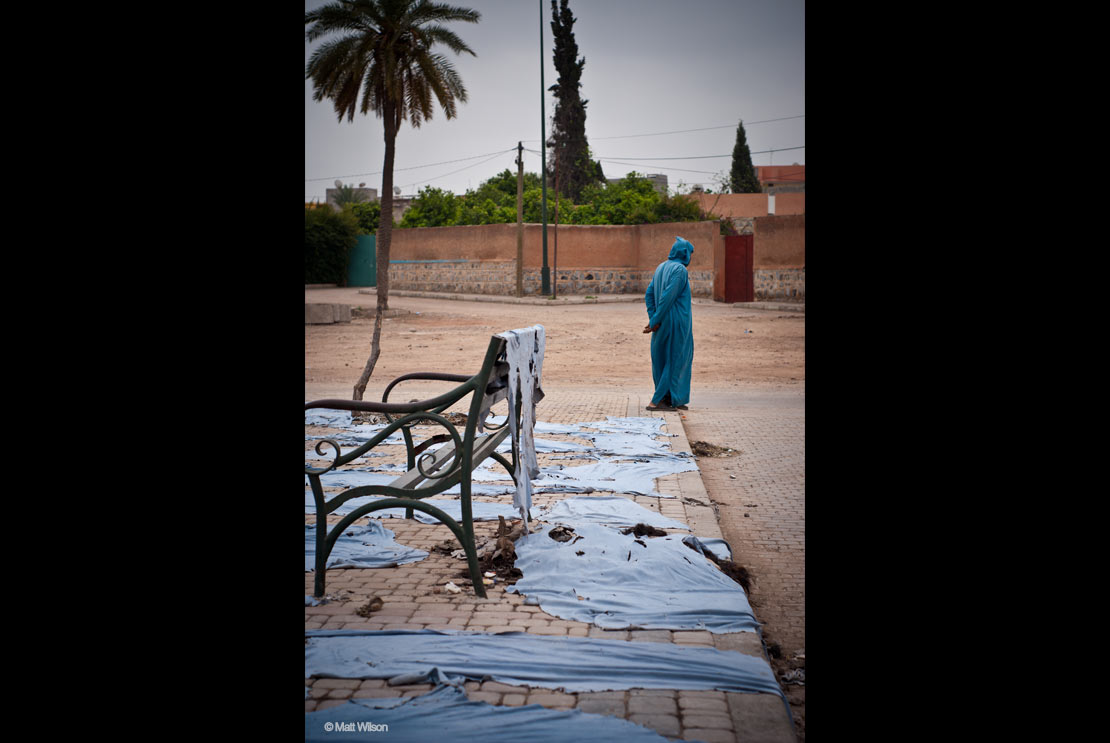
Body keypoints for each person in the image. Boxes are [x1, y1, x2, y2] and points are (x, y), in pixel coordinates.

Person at [643, 236, 694, 411]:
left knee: (661, 360)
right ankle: (656, 401)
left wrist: (653, 319)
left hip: (661, 321)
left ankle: (671, 398)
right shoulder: (680, 270)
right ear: (684, 253)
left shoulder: (661, 267)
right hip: (676, 322)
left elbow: (649, 294)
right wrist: (654, 320)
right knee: (675, 359)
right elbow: (667, 298)